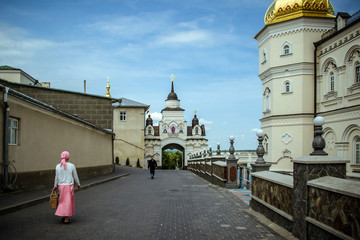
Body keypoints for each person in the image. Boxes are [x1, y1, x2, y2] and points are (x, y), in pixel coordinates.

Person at [52, 151, 81, 224]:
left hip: (61, 186)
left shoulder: (58, 166)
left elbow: (56, 177)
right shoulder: (71, 165)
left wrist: (55, 186)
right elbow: (75, 176)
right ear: (68, 157)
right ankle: (66, 218)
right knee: (68, 202)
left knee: (62, 201)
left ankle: (63, 215)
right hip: (69, 186)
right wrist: (78, 184)